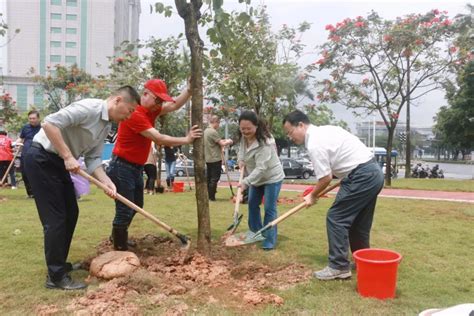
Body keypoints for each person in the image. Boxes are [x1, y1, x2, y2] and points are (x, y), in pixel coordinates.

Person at [23, 85, 141, 290]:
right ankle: (55, 277)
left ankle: (60, 264)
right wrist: (68, 156)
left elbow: (93, 159)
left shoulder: (105, 126)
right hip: (41, 158)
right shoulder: (90, 108)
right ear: (118, 101)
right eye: (130, 111)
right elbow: (49, 123)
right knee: (56, 218)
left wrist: (107, 182)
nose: (129, 117)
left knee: (71, 212)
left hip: (59, 163)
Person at [283, 110, 384, 280]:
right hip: (373, 172)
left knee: (336, 217)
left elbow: (325, 178)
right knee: (358, 223)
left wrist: (313, 195)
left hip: (361, 175)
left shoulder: (314, 143)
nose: (290, 137)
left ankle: (338, 266)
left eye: (290, 132)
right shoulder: (327, 130)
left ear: (300, 125)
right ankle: (363, 261)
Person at [107, 78, 202, 251]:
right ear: (145, 95)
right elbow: (158, 138)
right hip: (121, 167)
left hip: (135, 167)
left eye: (160, 101)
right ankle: (119, 247)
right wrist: (186, 139)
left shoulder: (152, 110)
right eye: (156, 99)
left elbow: (173, 106)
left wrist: (188, 90)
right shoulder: (134, 113)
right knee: (125, 208)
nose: (158, 104)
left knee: (137, 205)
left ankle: (117, 235)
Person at [237, 111, 285, 250]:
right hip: (256, 178)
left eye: (248, 129)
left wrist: (246, 182)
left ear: (256, 126)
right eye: (242, 128)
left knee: (269, 208)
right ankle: (256, 232)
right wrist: (240, 159)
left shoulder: (266, 142)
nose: (245, 131)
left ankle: (269, 240)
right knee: (252, 204)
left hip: (271, 178)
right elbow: (241, 149)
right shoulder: (243, 137)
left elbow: (261, 168)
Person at [203, 115, 233, 201]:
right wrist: (229, 141)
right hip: (215, 158)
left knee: (209, 178)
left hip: (208, 157)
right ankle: (211, 197)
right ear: (215, 122)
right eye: (219, 123)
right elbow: (222, 143)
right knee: (214, 178)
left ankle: (208, 195)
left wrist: (224, 141)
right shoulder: (213, 132)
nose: (219, 125)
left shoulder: (206, 131)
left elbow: (217, 142)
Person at [16, 110, 42, 197]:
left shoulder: (43, 127)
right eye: (30, 118)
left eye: (34, 118)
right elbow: (21, 138)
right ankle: (30, 193)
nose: (32, 120)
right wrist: (16, 143)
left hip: (39, 153)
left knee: (37, 173)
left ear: (38, 118)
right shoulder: (25, 127)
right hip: (25, 154)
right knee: (25, 173)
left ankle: (39, 192)